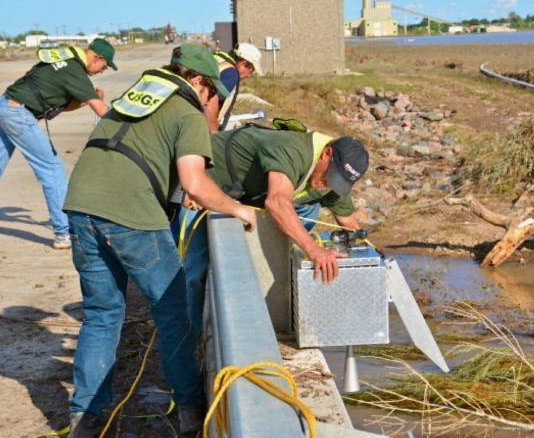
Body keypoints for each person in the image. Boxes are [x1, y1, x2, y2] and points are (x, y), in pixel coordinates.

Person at [62, 43, 256, 437]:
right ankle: (188, 408)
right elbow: (196, 184)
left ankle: (85, 418)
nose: (212, 102)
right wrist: (237, 209)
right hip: (130, 214)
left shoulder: (134, 97)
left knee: (101, 314)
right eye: (212, 94)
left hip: (81, 206)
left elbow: (139, 151)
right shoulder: (187, 111)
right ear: (198, 82)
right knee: (172, 313)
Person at [175, 124, 368, 336]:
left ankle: (274, 310)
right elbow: (276, 202)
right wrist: (314, 249)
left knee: (308, 208)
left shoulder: (330, 180)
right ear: (327, 153)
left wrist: (367, 258)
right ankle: (187, 338)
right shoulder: (293, 150)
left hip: (243, 195)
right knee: (196, 269)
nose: (328, 185)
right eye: (330, 178)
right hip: (201, 183)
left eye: (338, 183)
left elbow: (349, 223)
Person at [0, 38, 117, 251]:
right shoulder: (75, 70)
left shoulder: (64, 61)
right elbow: (102, 111)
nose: (101, 71)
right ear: (97, 57)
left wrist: (87, 99)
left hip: (3, 106)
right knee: (53, 168)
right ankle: (64, 234)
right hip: (17, 114)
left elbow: (62, 105)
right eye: (104, 66)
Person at [204, 42, 262, 132]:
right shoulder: (231, 74)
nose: (249, 75)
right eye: (250, 71)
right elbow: (211, 101)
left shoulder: (218, 59)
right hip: (202, 126)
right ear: (243, 64)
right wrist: (214, 131)